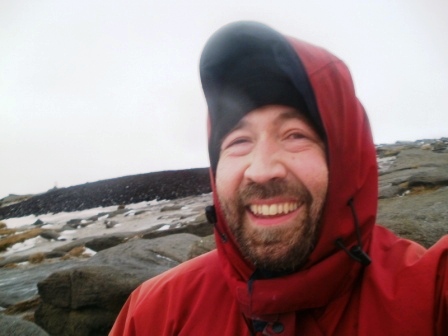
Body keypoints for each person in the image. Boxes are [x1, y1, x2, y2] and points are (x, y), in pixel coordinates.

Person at [110, 21, 448, 335]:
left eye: (295, 135)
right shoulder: (155, 314)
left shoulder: (427, 294)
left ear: (345, 160)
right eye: (239, 142)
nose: (262, 169)